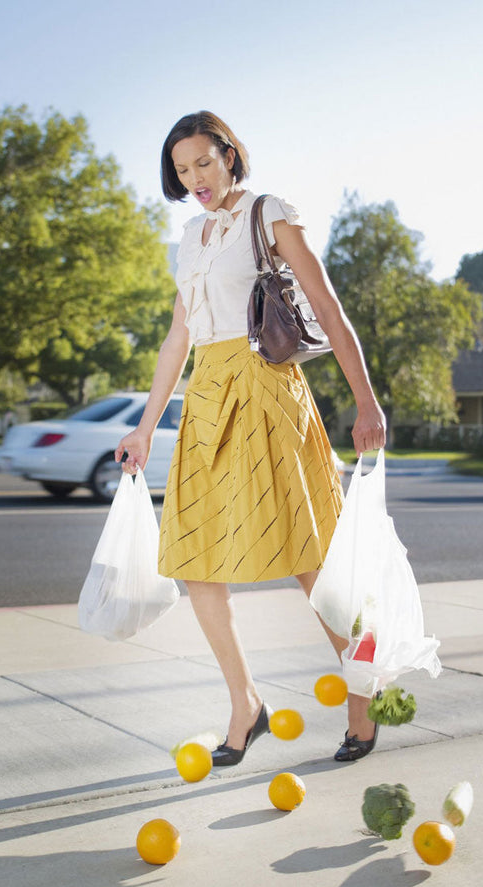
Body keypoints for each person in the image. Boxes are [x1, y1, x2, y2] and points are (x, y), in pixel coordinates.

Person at [114, 111, 386, 765]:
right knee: (196, 560)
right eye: (182, 170)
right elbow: (180, 336)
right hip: (207, 402)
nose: (195, 179)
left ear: (230, 155)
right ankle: (245, 704)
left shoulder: (269, 215)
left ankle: (362, 690)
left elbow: (326, 307)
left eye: (204, 162)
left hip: (266, 394)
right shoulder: (191, 237)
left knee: (305, 554)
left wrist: (367, 400)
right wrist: (146, 426)